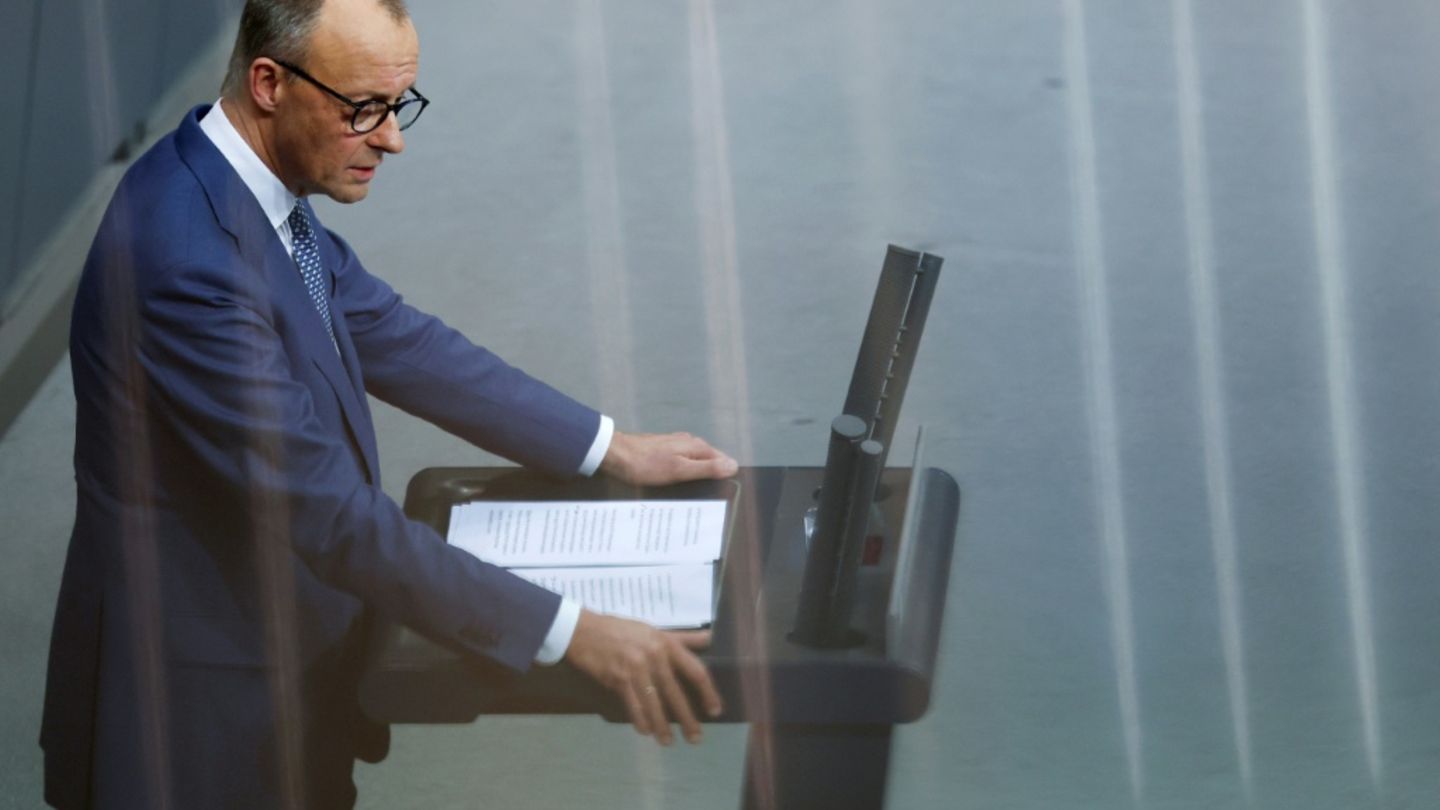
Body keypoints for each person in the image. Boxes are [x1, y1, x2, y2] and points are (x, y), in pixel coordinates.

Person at [39, 0, 735, 806]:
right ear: (269, 82)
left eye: (399, 105)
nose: (392, 137)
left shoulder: (246, 185)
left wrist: (608, 446)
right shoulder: (186, 265)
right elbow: (330, 514)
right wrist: (572, 633)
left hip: (283, 645)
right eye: (363, 109)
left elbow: (396, 337)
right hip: (200, 713)